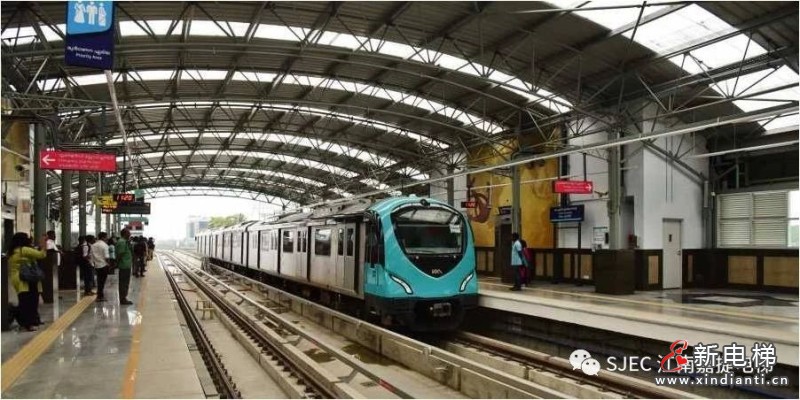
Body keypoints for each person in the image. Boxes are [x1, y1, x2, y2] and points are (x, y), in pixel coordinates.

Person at [8, 233, 47, 331]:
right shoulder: (24, 250)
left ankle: (28, 322)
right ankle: (28, 324)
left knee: (24, 301)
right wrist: (43, 244)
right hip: (26, 279)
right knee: (29, 302)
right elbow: (41, 255)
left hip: (17, 279)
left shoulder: (12, 251)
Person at [115, 229, 133, 305]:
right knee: (124, 283)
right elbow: (120, 254)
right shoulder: (122, 242)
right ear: (125, 234)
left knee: (125, 283)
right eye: (129, 233)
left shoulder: (125, 241)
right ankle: (123, 299)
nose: (130, 234)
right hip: (124, 265)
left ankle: (123, 298)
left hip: (126, 265)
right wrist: (117, 263)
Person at [91, 232, 111, 302]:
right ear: (103, 237)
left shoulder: (93, 245)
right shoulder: (104, 245)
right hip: (103, 265)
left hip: (96, 265)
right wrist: (109, 264)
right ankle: (100, 296)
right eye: (106, 237)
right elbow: (106, 257)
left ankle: (99, 295)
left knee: (99, 281)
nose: (107, 238)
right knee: (102, 282)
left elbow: (91, 256)